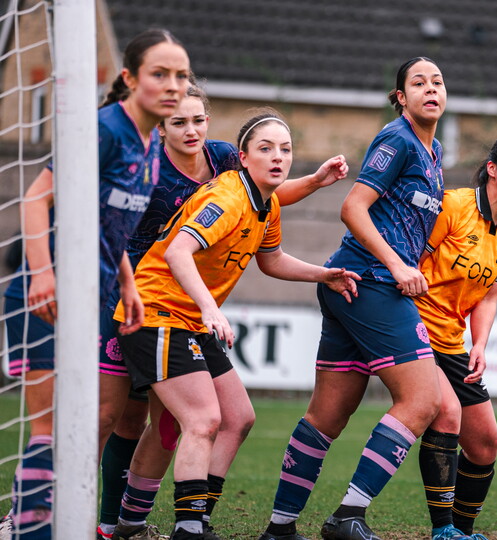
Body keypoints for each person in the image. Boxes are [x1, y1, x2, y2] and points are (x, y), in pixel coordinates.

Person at [100, 86, 350, 540]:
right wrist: (210, 307)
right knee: (194, 420)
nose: (278, 157)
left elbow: (272, 260)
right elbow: (177, 252)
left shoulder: (266, 202)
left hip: (187, 320)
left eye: (285, 149)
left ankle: (164, 521)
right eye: (266, 149)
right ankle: (184, 528)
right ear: (243, 157)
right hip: (155, 312)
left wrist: (324, 274)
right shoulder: (229, 197)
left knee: (237, 418)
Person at [1, 27, 191, 540]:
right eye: (159, 74)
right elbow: (35, 199)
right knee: (51, 430)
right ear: (129, 77)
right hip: (46, 298)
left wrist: (128, 286)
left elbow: (114, 229)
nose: (172, 85)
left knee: (77, 428)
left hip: (95, 298)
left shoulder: (152, 147)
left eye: (181, 76)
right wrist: (42, 274)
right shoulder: (104, 130)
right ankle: (24, 529)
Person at [258, 56, 446, 540]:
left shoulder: (435, 151)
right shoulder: (398, 139)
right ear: (400, 97)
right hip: (372, 284)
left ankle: (280, 528)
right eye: (418, 83)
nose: (431, 88)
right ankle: (348, 516)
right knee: (423, 401)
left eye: (437, 82)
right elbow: (353, 207)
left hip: (350, 285)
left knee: (327, 416)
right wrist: (398, 266)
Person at [416, 134, 497, 540]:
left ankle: (463, 532)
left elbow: (488, 298)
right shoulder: (452, 205)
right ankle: (443, 530)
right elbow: (410, 261)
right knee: (447, 415)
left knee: (486, 443)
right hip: (414, 331)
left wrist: (480, 345)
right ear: (491, 168)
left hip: (452, 343)